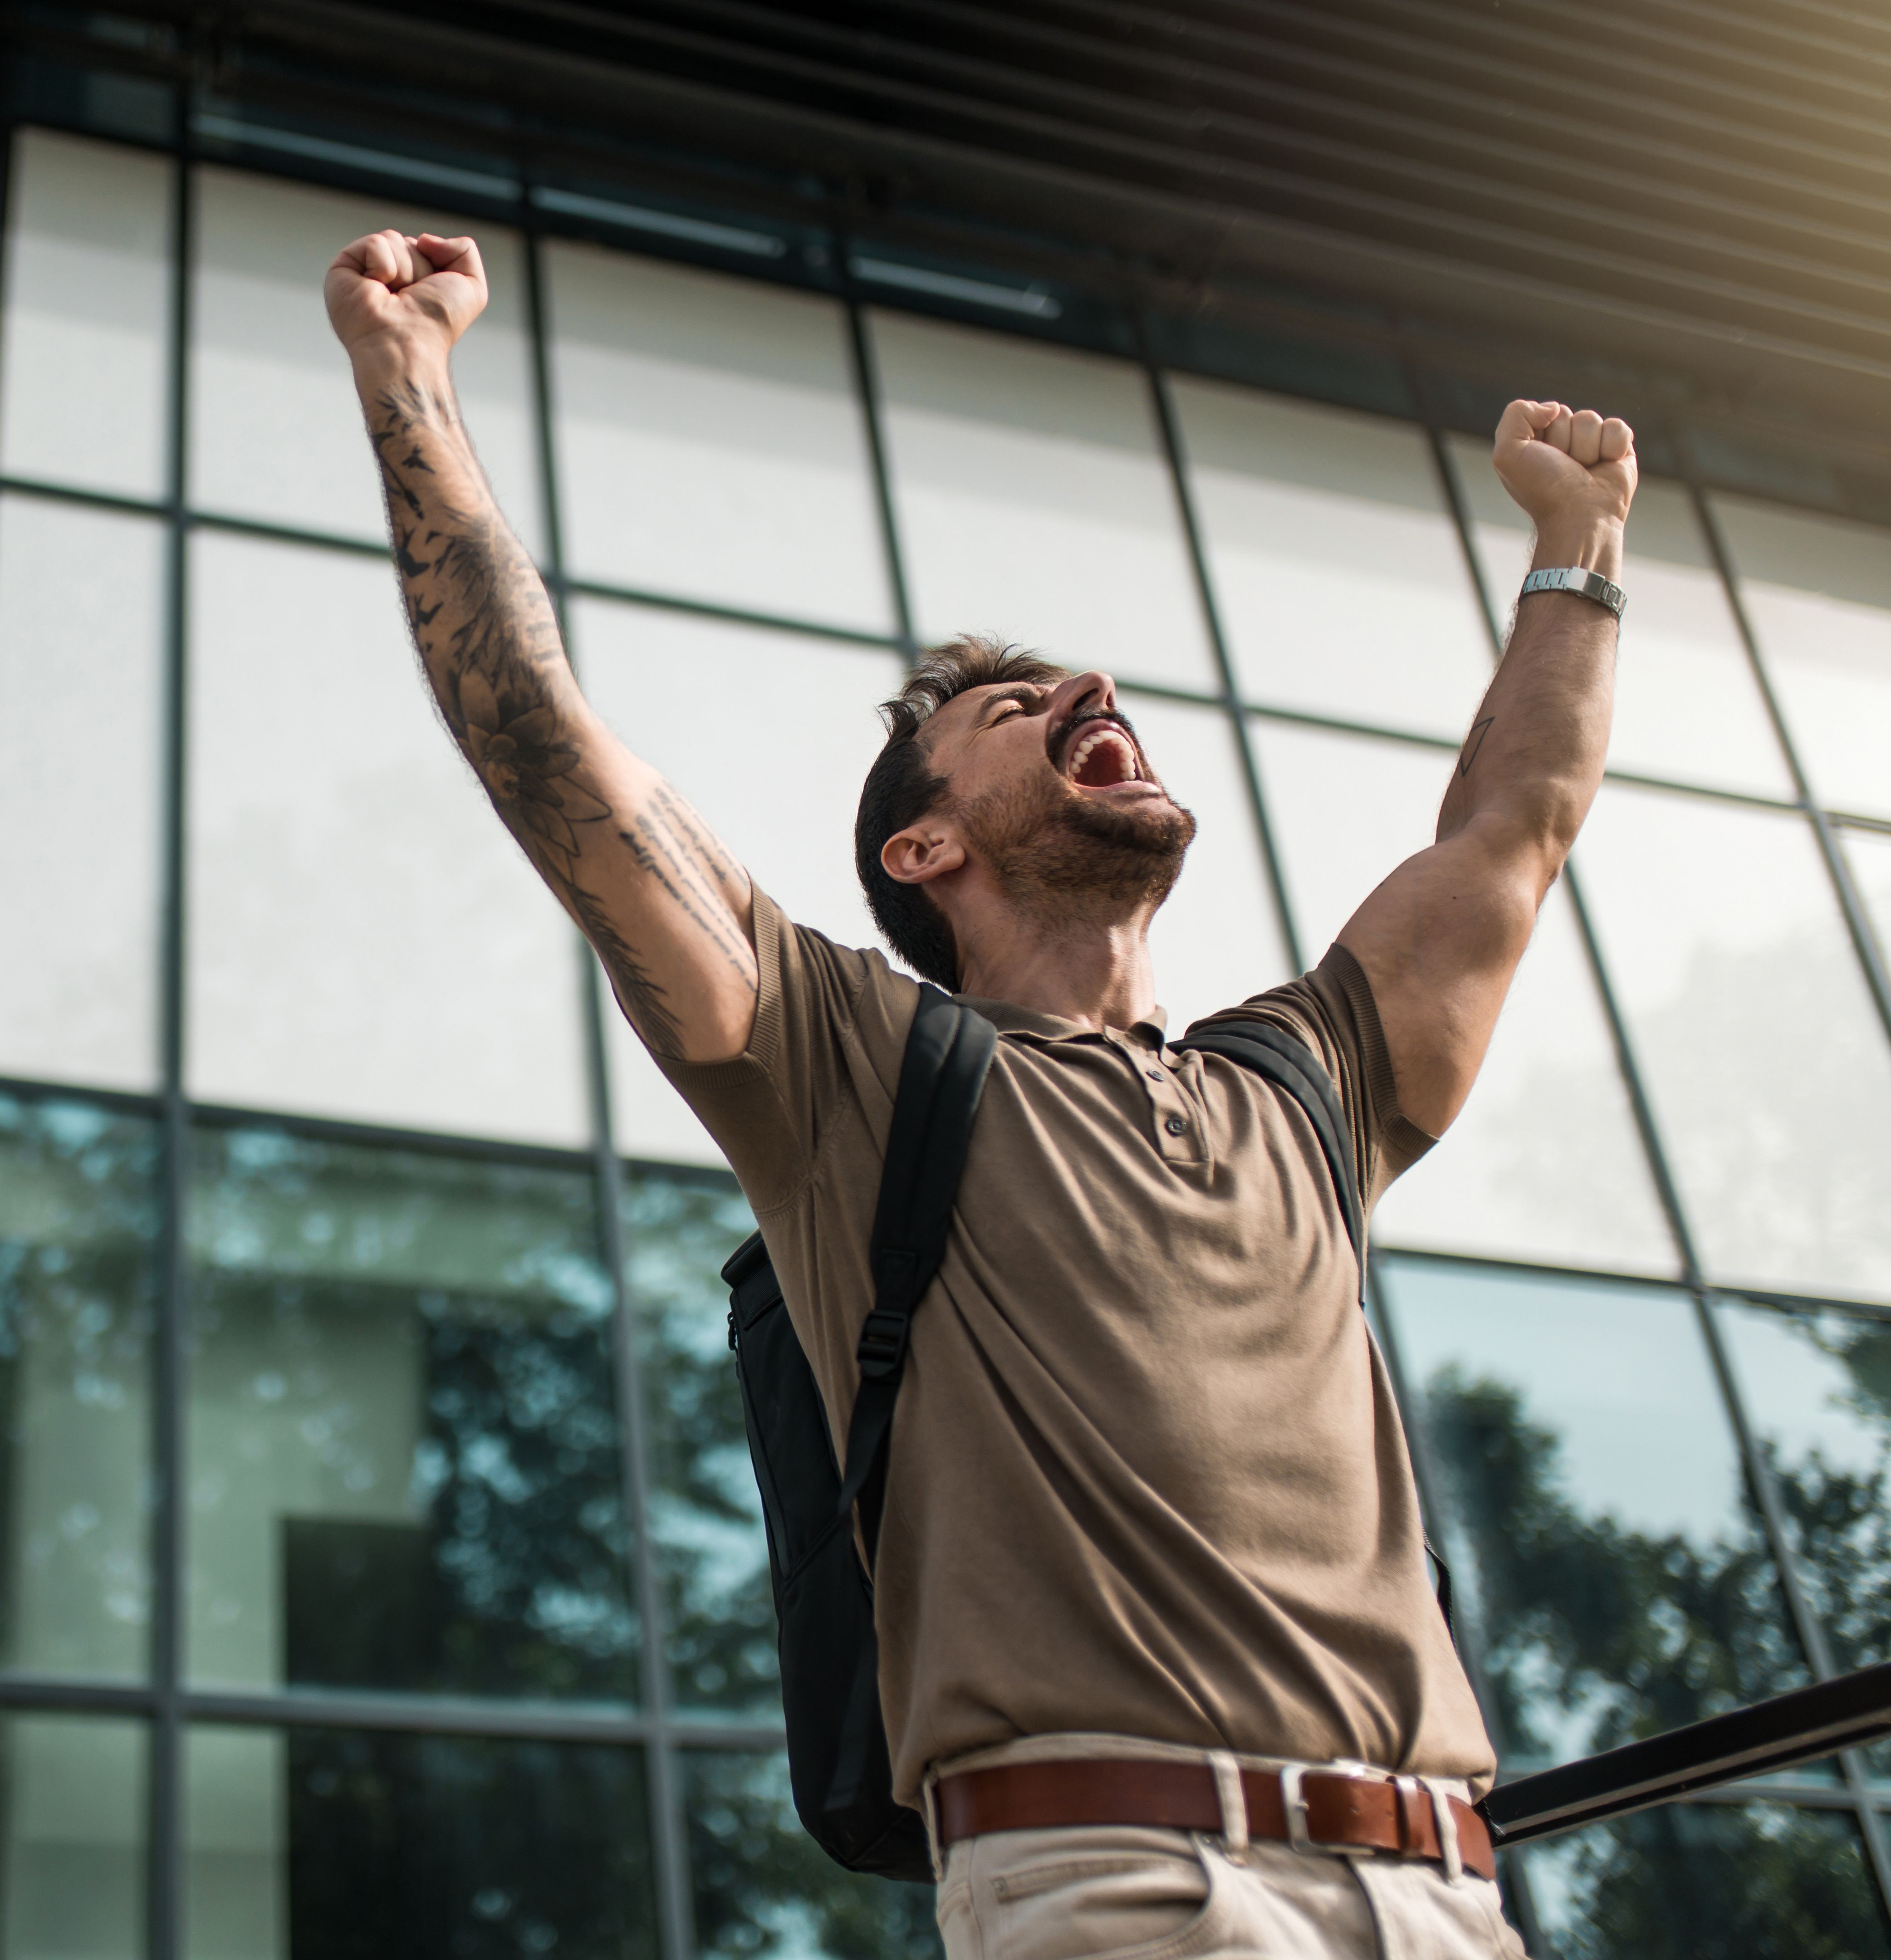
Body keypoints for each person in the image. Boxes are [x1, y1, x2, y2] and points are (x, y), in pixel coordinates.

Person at [324, 226, 1636, 1959]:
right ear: (920, 845)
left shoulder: (1304, 1084)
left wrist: (1579, 547)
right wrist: (408, 379)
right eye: (1022, 708)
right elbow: (546, 749)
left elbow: (1510, 832)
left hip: (1448, 1890)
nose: (1096, 694)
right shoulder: (850, 1068)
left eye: (1083, 689)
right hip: (1128, 1885)